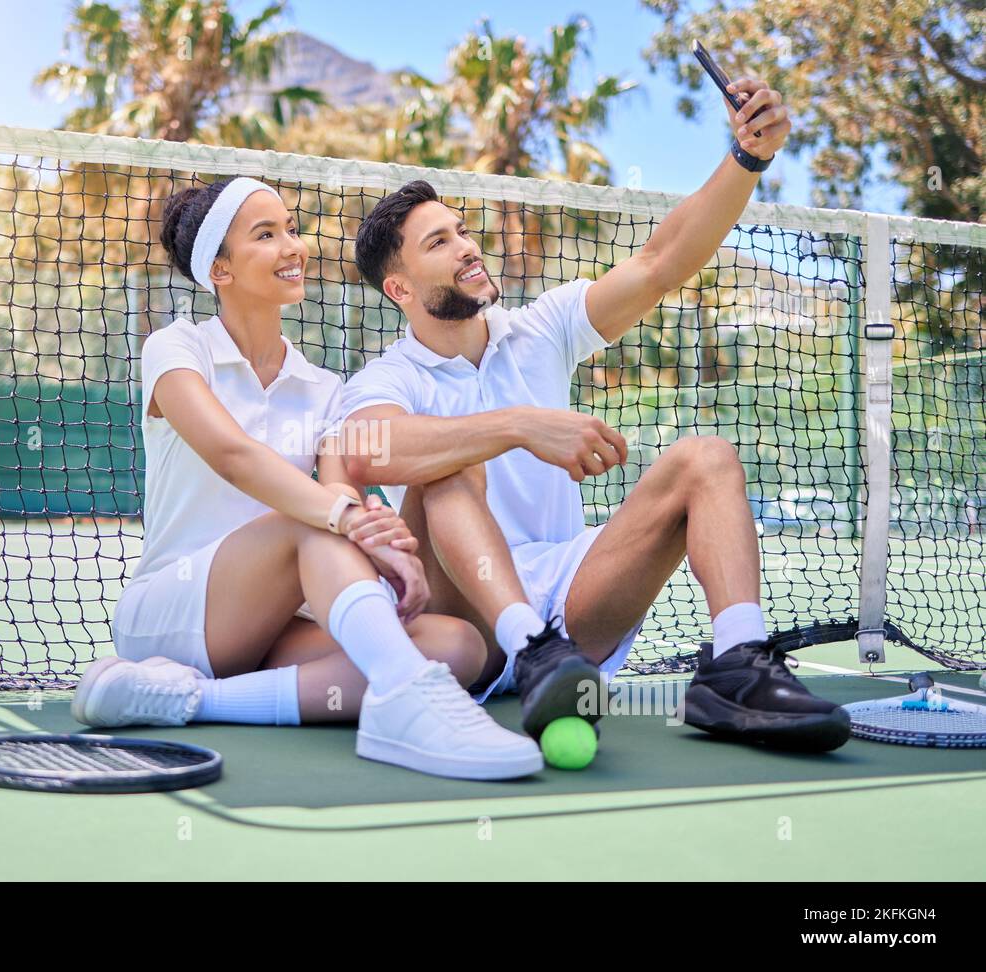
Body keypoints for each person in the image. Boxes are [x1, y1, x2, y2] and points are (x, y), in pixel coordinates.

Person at [340, 78, 851, 752]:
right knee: (447, 468)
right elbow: (368, 449)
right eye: (438, 243)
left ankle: (736, 666)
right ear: (399, 288)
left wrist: (749, 157)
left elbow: (660, 263)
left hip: (574, 599)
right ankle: (527, 644)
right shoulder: (388, 375)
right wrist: (519, 424)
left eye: (462, 231)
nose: (467, 246)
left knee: (707, 460)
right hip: (464, 618)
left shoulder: (541, 328)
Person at [71, 176, 543, 779]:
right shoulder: (177, 346)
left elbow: (340, 489)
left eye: (291, 229)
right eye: (265, 235)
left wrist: (377, 540)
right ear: (220, 270)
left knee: (458, 646)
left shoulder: (324, 387)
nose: (293, 246)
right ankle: (404, 703)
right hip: (174, 612)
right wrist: (341, 515)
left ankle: (187, 699)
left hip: (277, 624)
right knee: (311, 526)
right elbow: (232, 455)